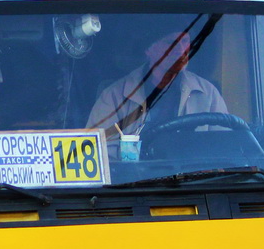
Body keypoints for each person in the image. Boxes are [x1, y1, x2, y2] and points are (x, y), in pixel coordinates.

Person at [86, 30, 228, 158]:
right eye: (171, 43)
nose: (181, 51)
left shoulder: (208, 93)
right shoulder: (113, 96)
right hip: (135, 184)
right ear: (149, 49)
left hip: (193, 184)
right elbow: (97, 154)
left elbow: (225, 149)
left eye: (185, 41)